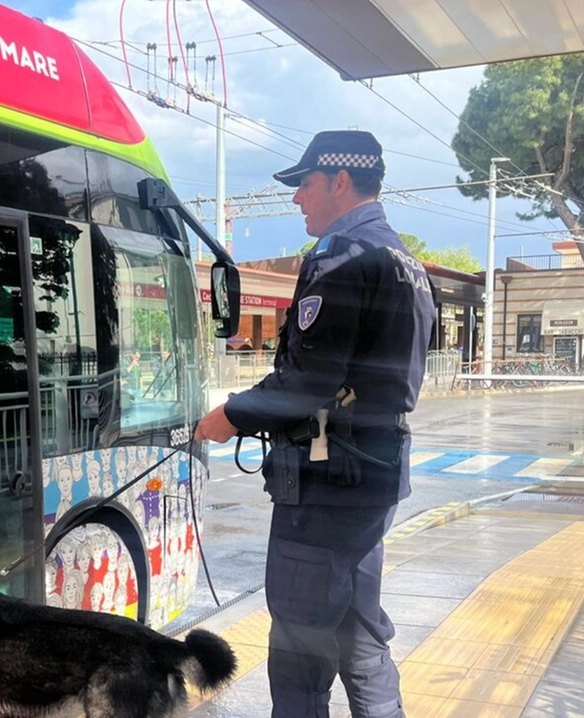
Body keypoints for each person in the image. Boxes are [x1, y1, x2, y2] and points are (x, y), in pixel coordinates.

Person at [194, 130, 437, 718]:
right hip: (372, 478)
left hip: (327, 484)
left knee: (301, 648)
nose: (298, 198)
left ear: (340, 182)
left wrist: (229, 415)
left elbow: (308, 382)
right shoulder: (405, 262)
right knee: (359, 636)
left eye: (304, 184)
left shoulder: (342, 258)